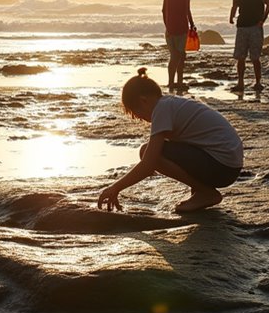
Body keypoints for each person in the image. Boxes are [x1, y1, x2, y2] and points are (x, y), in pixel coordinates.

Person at [97, 68, 243, 213]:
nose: (141, 119)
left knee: (147, 152)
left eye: (137, 114)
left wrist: (115, 188)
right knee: (169, 147)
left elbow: (149, 163)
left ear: (143, 101)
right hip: (229, 164)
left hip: (222, 167)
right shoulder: (170, 104)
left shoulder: (162, 109)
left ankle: (206, 193)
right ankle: (200, 191)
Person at [228, 0, 269, 91]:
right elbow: (235, 6)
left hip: (255, 27)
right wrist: (231, 17)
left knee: (255, 57)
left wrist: (263, 19)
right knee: (240, 57)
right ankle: (240, 83)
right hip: (242, 26)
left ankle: (258, 82)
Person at [162, 0, 195, 89]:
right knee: (179, 56)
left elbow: (164, 11)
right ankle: (177, 82)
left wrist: (168, 27)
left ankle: (173, 82)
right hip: (180, 29)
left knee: (175, 56)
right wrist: (191, 24)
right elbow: (187, 11)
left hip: (172, 29)